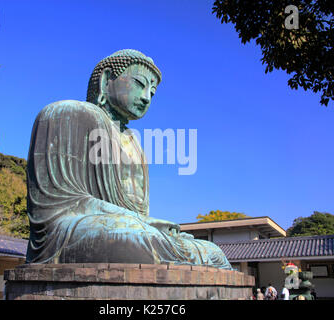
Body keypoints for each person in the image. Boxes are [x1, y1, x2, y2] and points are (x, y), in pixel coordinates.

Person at [25, 49, 232, 269]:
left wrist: (145, 224)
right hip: (69, 231)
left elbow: (140, 213)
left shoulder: (134, 142)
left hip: (128, 227)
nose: (146, 97)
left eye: (152, 93)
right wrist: (138, 222)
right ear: (106, 80)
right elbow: (56, 206)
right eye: (139, 84)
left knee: (213, 252)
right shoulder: (67, 113)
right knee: (135, 239)